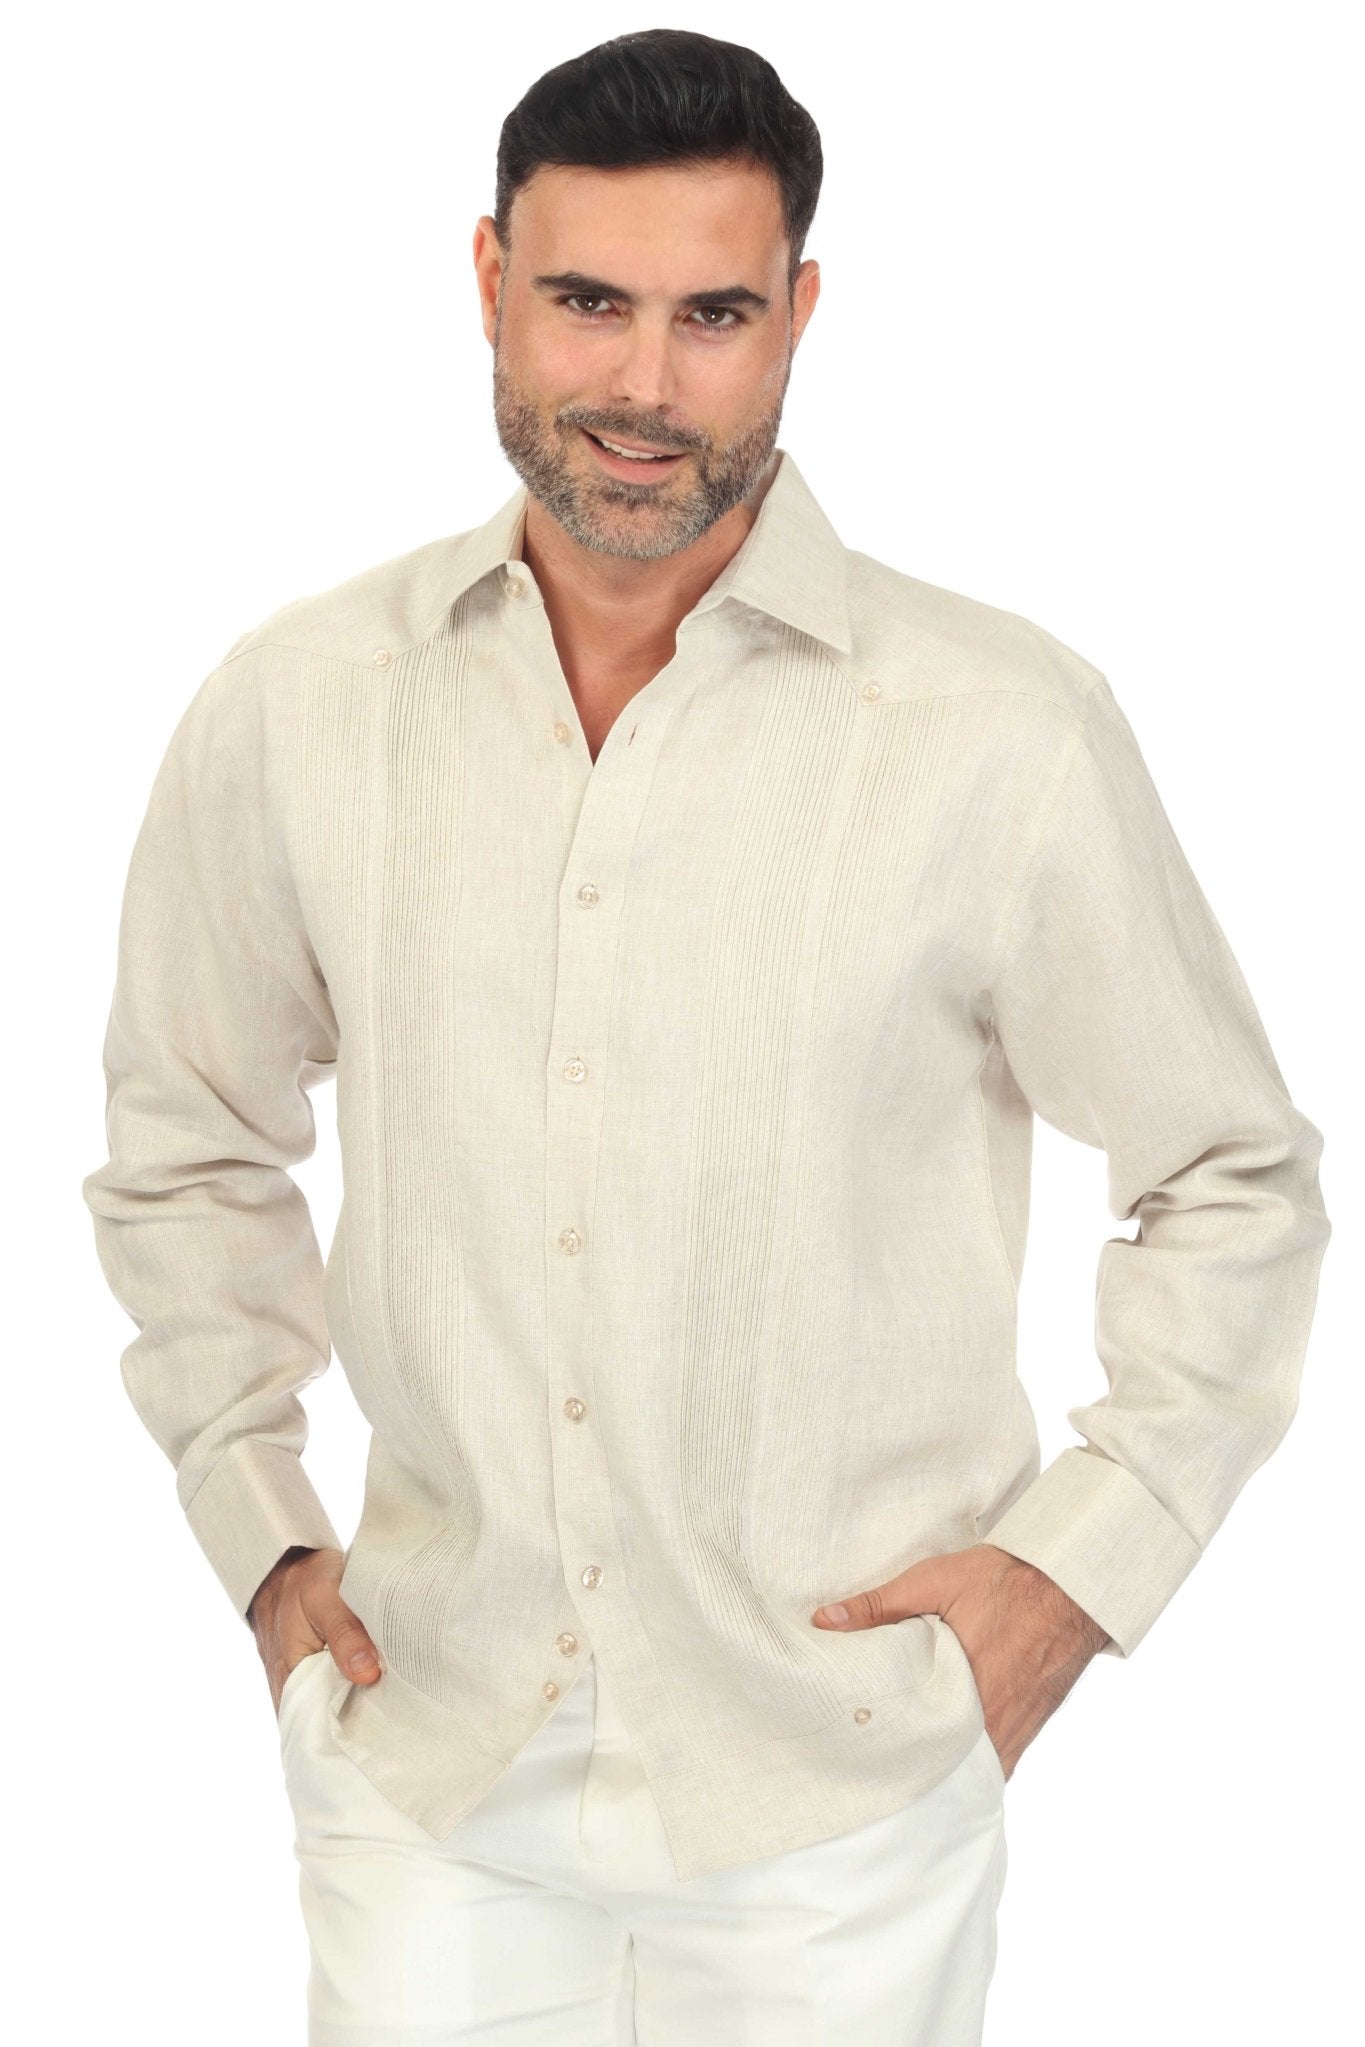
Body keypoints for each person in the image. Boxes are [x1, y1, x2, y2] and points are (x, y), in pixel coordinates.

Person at [81, 27, 1331, 2046]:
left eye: (711, 315)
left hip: (837, 1793)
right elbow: (186, 1143)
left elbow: (1228, 1181)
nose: (642, 387)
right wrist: (259, 1531)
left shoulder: (993, 730)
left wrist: (1069, 1580)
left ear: (798, 319)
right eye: (585, 302)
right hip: (430, 1772)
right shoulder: (299, 704)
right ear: (486, 281)